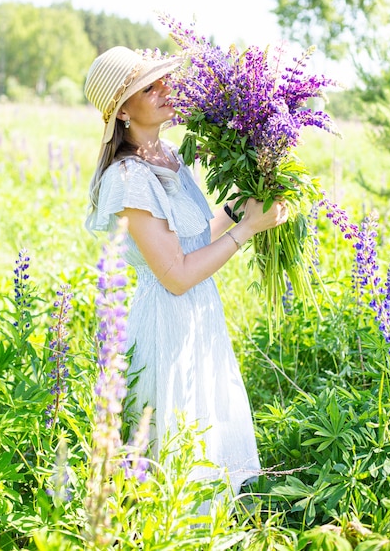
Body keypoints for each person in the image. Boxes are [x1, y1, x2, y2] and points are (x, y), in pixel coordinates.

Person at [84, 45, 288, 499]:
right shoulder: (128, 177)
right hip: (167, 319)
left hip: (201, 314)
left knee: (206, 434)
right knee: (175, 451)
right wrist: (248, 230)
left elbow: (194, 238)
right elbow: (174, 274)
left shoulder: (172, 154)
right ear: (121, 111)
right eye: (146, 86)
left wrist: (239, 210)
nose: (163, 89)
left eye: (162, 80)